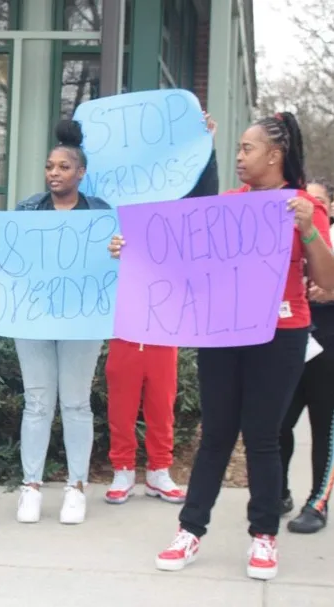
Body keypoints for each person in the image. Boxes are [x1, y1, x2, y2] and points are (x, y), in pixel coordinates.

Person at [111, 112, 334, 580]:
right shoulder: (226, 205)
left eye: (247, 148)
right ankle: (190, 531)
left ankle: (263, 538)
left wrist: (308, 229)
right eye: (237, 148)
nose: (239, 156)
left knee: (263, 438)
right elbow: (179, 256)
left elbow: (328, 284)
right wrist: (130, 248)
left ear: (274, 156)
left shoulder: (301, 205)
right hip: (222, 333)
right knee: (214, 437)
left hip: (281, 336)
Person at [0, 120, 109, 525]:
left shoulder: (100, 213)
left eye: (63, 167)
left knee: (76, 403)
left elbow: (114, 265)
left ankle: (76, 486)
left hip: (83, 320)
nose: (54, 173)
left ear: (80, 173)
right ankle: (30, 485)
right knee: (36, 402)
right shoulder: (28, 210)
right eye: (50, 166)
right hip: (32, 316)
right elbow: (10, 257)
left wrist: (120, 249)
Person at [104, 113, 220, 506]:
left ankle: (158, 471)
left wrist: (205, 144)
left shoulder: (178, 201)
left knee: (161, 399)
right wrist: (112, 248)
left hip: (166, 319)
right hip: (127, 319)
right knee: (121, 398)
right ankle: (122, 470)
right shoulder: (119, 199)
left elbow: (206, 198)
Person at [279, 178, 334, 534]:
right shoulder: (288, 240)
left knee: (323, 430)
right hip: (292, 347)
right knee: (278, 423)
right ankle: (277, 490)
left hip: (328, 351)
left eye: (317, 203)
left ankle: (318, 502)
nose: (307, 209)